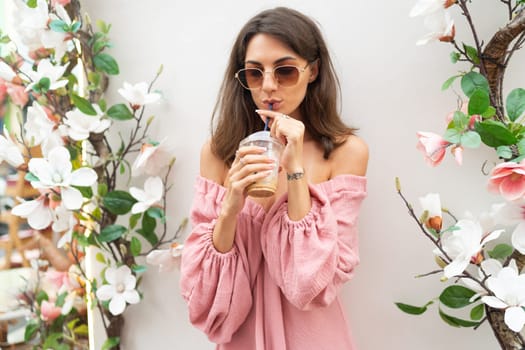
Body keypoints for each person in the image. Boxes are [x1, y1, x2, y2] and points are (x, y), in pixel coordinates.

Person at [180, 6, 368, 350]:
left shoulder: (345, 152)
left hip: (315, 338)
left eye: (284, 71)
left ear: (312, 71)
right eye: (255, 73)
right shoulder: (219, 154)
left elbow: (312, 284)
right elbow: (202, 298)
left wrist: (295, 170)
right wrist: (229, 208)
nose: (269, 86)